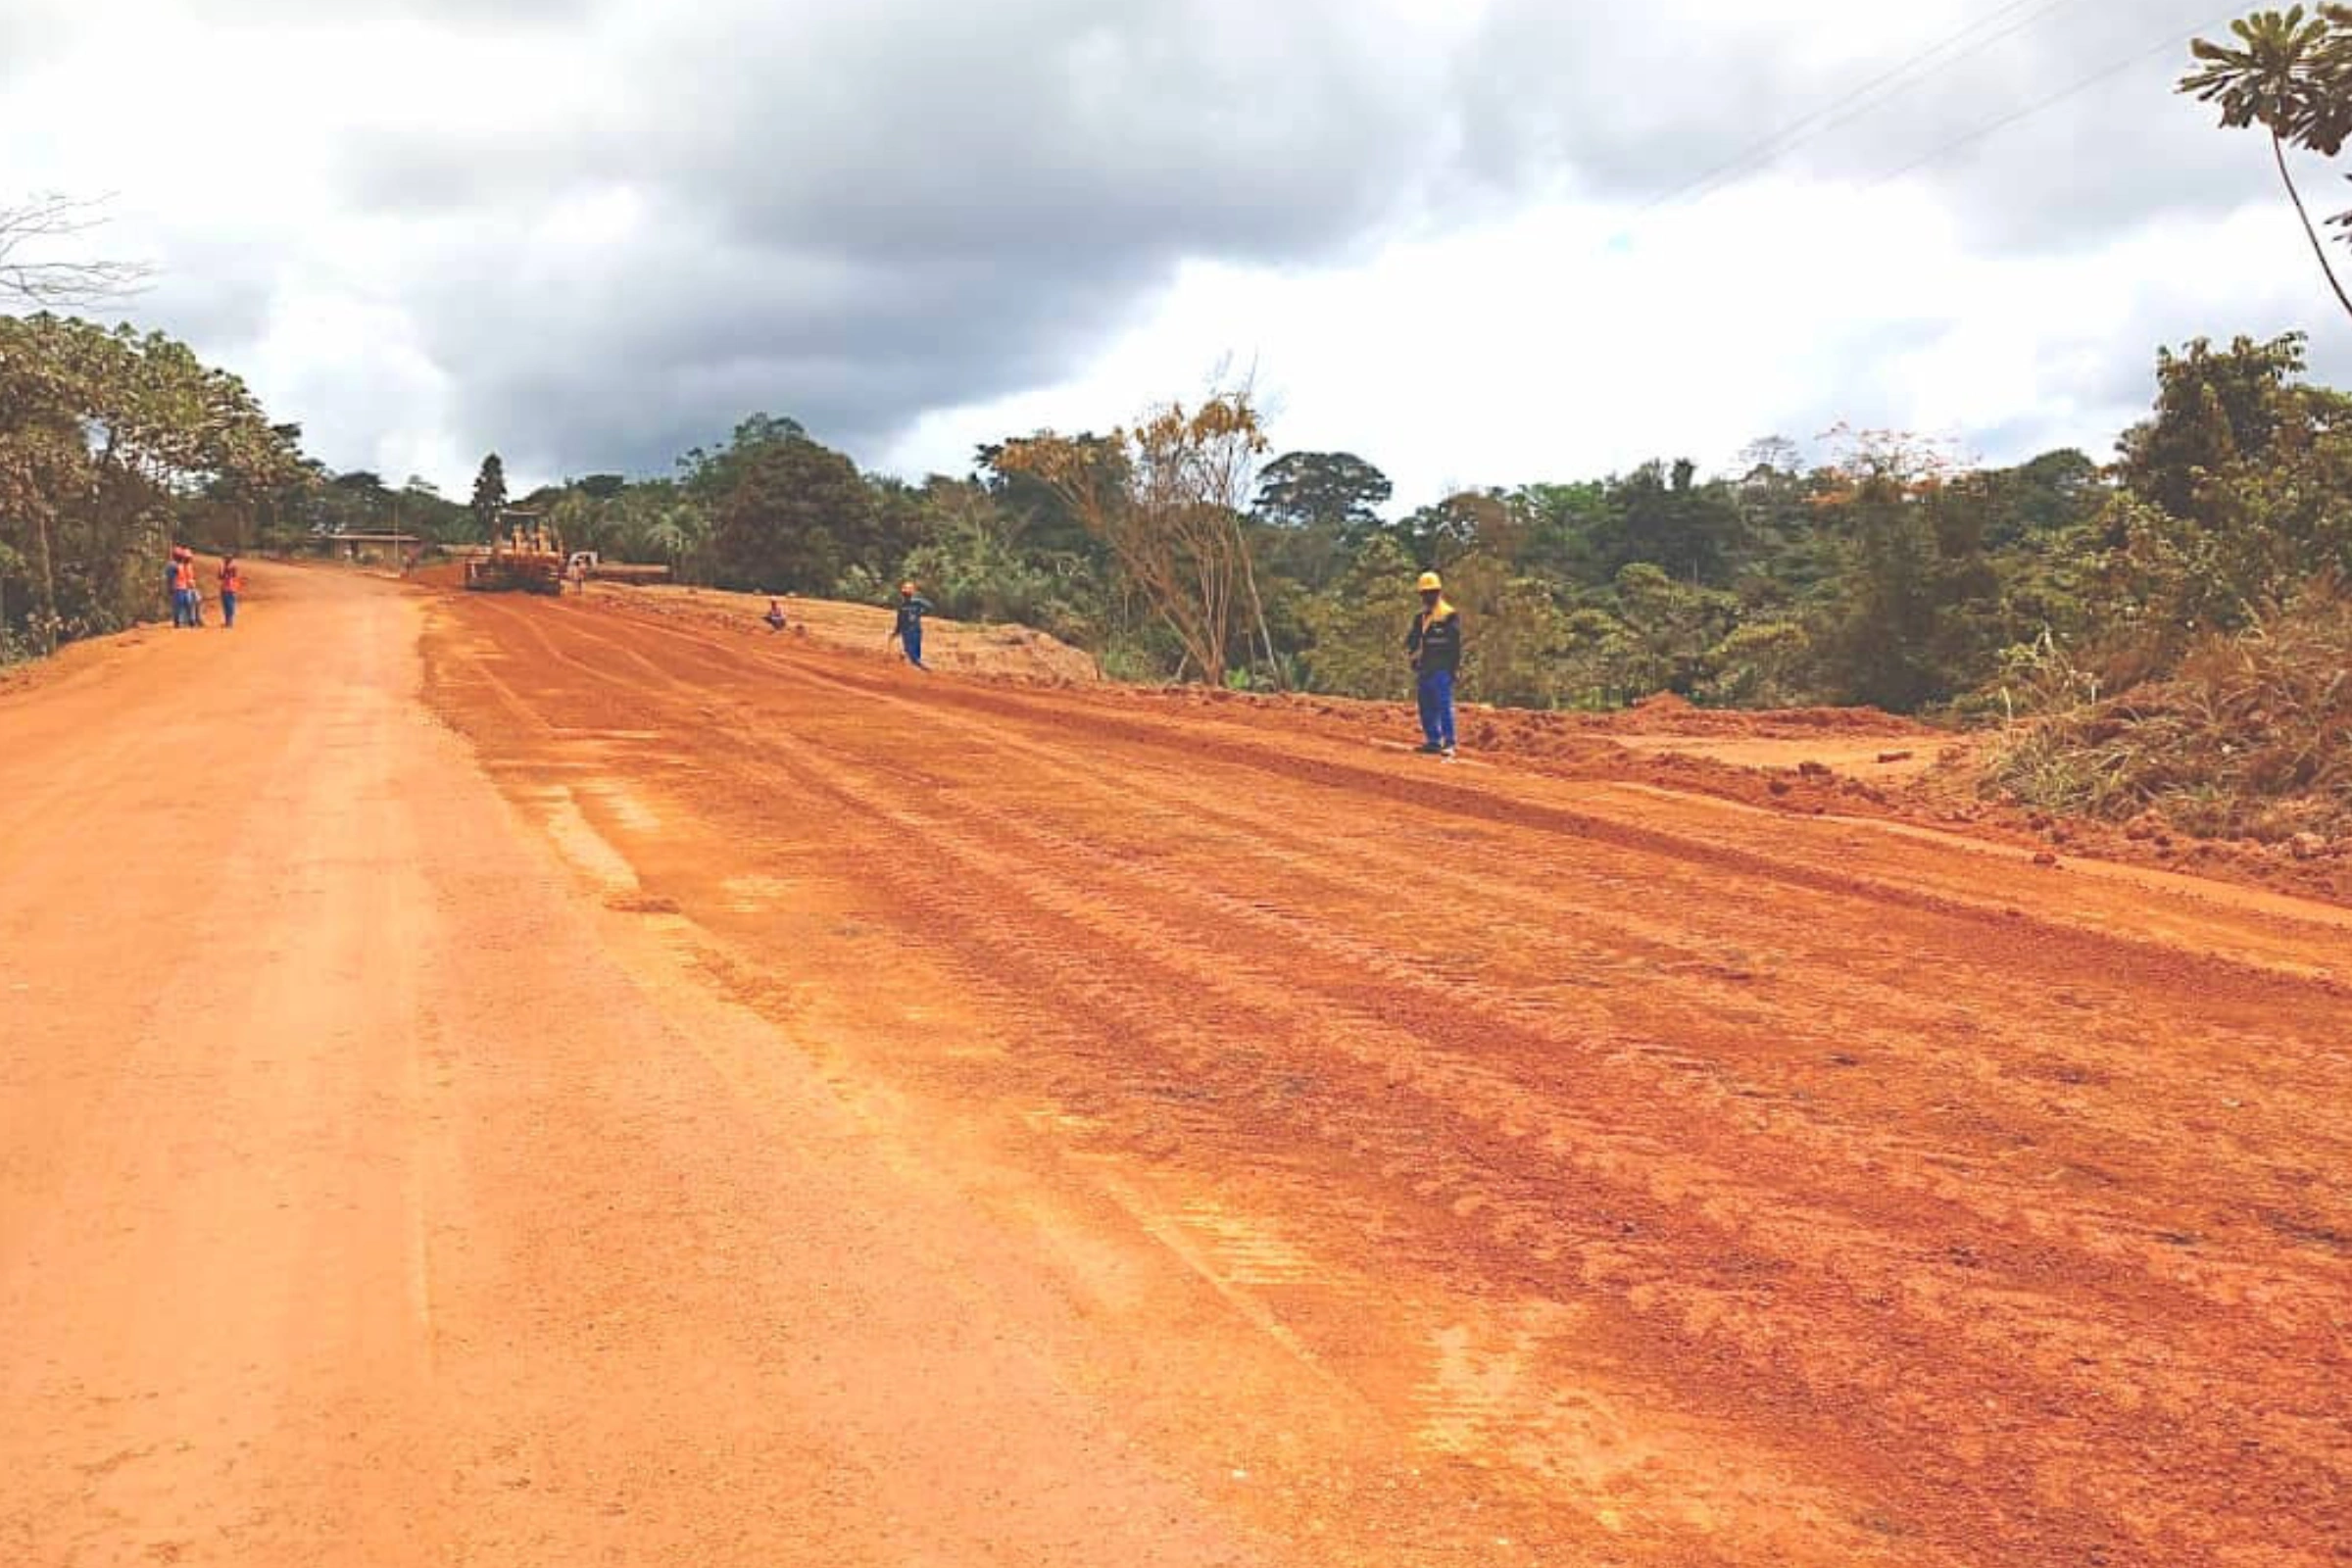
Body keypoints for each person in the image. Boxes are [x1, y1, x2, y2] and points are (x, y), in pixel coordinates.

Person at [1405, 568, 1462, 760]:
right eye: (1425, 593)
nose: (1429, 596)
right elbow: (1412, 640)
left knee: (1443, 705)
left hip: (1442, 668)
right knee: (1425, 705)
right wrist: (1413, 656)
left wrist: (1454, 669)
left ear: (1438, 592)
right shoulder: (1420, 618)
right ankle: (1433, 741)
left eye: (1432, 592)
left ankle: (1449, 742)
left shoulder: (1449, 616)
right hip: (1426, 667)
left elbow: (1455, 645)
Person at [888, 580, 933, 669]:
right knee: (914, 658)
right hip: (908, 633)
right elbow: (900, 621)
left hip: (915, 631)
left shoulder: (916, 602)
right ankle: (926, 670)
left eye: (907, 592)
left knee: (915, 655)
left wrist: (919, 613)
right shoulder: (903, 606)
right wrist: (895, 632)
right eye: (905, 592)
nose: (906, 594)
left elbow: (930, 607)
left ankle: (906, 655)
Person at [218, 556, 244, 628]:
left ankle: (230, 622)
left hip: (231, 588)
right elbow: (220, 577)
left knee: (230, 606)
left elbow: (231, 574)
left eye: (226, 560)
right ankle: (227, 621)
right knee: (226, 606)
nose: (225, 561)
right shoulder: (225, 567)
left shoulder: (233, 567)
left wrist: (223, 568)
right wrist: (220, 569)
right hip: (225, 588)